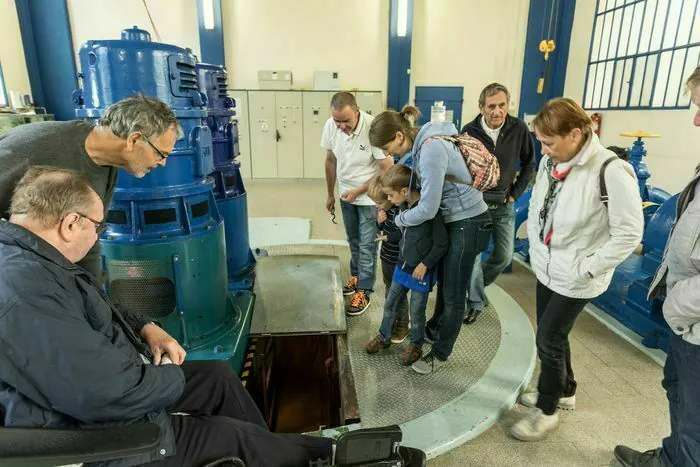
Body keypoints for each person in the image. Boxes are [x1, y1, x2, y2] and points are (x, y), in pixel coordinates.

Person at [0, 167, 333, 467]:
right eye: (97, 226)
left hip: (113, 388)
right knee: (234, 439)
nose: (97, 237)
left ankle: (268, 451)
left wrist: (147, 326)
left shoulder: (35, 258)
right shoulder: (24, 289)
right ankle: (325, 453)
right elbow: (107, 394)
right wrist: (171, 377)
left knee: (216, 378)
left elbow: (95, 303)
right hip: (98, 436)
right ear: (72, 224)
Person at [510, 98, 644, 441]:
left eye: (549, 143)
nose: (543, 150)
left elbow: (629, 233)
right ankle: (565, 390)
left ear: (575, 134)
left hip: (578, 274)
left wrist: (589, 267)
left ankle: (548, 409)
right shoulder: (550, 162)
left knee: (549, 338)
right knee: (552, 332)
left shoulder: (611, 170)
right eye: (541, 142)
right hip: (549, 266)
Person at [614, 67, 700, 467]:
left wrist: (676, 304)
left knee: (694, 417)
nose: (696, 119)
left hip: (693, 318)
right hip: (688, 323)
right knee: (678, 390)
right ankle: (670, 459)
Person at [0, 95, 179, 278]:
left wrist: (93, 292)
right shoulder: (34, 147)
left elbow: (89, 235)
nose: (162, 163)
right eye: (160, 154)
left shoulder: (108, 169)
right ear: (133, 140)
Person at [369, 106, 490, 375]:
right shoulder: (421, 148)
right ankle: (433, 332)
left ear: (400, 136)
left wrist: (399, 221)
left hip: (467, 220)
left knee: (453, 293)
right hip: (453, 218)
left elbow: (428, 209)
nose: (388, 155)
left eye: (388, 147)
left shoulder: (431, 150)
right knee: (446, 285)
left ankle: (440, 353)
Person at [462, 83, 536, 324]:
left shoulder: (519, 129)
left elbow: (529, 164)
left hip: (504, 203)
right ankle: (474, 301)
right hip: (475, 203)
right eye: (491, 106)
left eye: (502, 105)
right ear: (481, 107)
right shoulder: (469, 131)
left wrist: (515, 193)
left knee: (504, 255)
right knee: (473, 254)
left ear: (508, 105)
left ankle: (475, 288)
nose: (497, 111)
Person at [365, 164, 448, 365]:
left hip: (420, 272)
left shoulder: (430, 212)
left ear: (404, 191)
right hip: (401, 268)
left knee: (417, 311)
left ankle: (416, 345)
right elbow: (403, 235)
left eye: (391, 196)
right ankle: (384, 336)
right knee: (390, 303)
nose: (389, 201)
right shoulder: (404, 207)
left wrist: (425, 264)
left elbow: (441, 243)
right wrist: (386, 233)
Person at [322, 92, 393, 316]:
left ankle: (364, 290)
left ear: (357, 110)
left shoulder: (373, 128)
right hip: (346, 196)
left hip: (370, 198)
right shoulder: (331, 126)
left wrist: (359, 191)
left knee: (367, 245)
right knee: (352, 240)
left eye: (346, 121)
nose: (341, 126)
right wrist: (330, 194)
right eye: (337, 121)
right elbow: (331, 161)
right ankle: (356, 276)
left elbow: (387, 168)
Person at [366, 175, 410, 343]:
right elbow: (380, 231)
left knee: (399, 295)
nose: (377, 206)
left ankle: (402, 326)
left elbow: (403, 234)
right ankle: (391, 323)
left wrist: (387, 237)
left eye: (379, 203)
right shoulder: (386, 210)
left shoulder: (402, 211)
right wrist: (379, 224)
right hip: (386, 258)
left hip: (399, 260)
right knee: (389, 292)